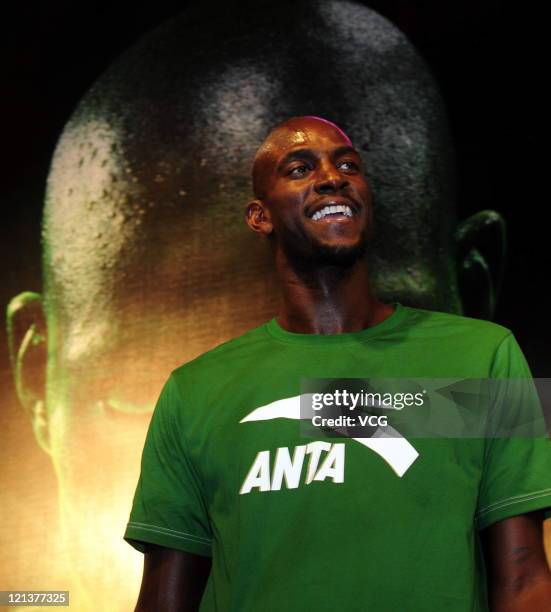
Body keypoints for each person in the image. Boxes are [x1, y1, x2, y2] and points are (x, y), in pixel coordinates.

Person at [124, 116, 551, 611]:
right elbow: (163, 599)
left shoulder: (484, 356)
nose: (332, 177)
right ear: (259, 217)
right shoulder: (194, 390)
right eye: (300, 168)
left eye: (348, 164)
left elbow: (524, 578)